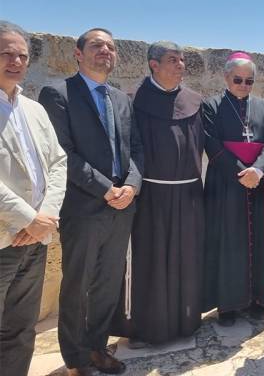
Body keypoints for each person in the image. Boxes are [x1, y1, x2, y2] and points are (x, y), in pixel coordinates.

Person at [39, 28, 143, 375]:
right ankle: (75, 359)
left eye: (110, 47)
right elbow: (62, 153)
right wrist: (105, 188)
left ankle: (97, 348)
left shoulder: (121, 99)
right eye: (97, 45)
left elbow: (135, 149)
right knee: (77, 286)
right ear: (78, 53)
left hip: (121, 207)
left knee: (108, 283)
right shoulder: (58, 94)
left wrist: (131, 186)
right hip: (83, 207)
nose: (105, 51)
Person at [113, 41, 204, 345]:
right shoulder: (134, 101)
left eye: (182, 60)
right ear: (154, 65)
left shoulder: (194, 101)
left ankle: (185, 322)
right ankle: (146, 328)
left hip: (188, 194)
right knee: (150, 260)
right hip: (150, 195)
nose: (181, 65)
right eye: (173, 60)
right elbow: (128, 148)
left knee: (186, 259)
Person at [0, 20, 67, 376]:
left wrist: (46, 216)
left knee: (21, 328)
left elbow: (58, 162)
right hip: (4, 238)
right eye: (6, 54)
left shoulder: (34, 109)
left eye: (22, 56)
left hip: (36, 238)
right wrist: (29, 218)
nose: (16, 62)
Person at [202, 51, 264, 326]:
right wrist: (240, 173)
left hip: (258, 182)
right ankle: (228, 304)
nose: (244, 85)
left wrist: (257, 170)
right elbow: (211, 143)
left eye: (249, 81)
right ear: (226, 77)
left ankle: (260, 299)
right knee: (228, 242)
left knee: (260, 240)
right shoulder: (211, 106)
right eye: (238, 80)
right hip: (225, 183)